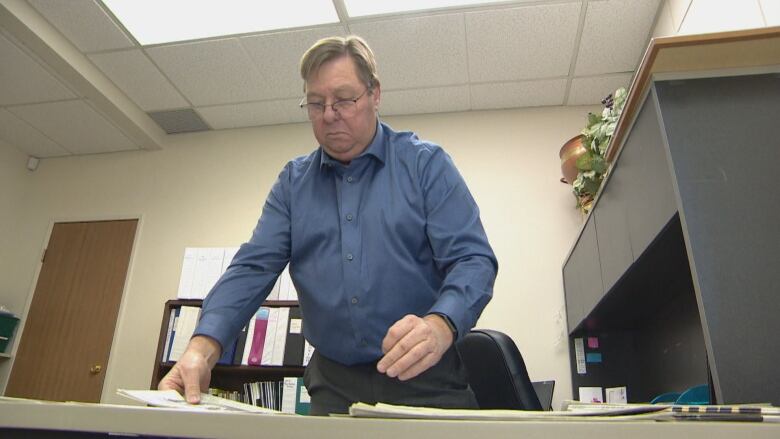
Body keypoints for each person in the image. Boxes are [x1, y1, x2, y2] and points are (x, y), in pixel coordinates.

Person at [159, 35, 498, 415]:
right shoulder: (293, 183)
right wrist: (201, 349)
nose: (329, 114)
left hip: (426, 377)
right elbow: (253, 267)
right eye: (316, 103)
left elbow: (473, 260)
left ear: (375, 94)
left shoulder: (425, 166)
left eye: (344, 99)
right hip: (334, 385)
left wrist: (440, 325)